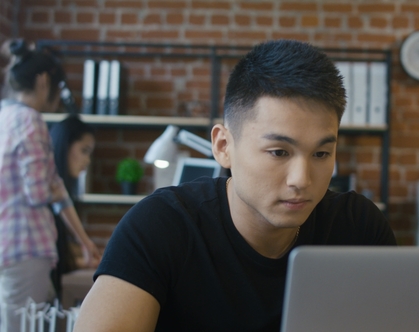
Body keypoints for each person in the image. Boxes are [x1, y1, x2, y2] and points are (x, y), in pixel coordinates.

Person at [74, 39, 397, 332]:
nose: (301, 179)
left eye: (321, 153)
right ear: (224, 146)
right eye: (279, 152)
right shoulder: (162, 225)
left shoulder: (358, 228)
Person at [0, 39, 101, 331]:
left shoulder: (3, 117)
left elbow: (55, 188)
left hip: (6, 245)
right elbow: (40, 191)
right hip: (26, 247)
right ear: (44, 81)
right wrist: (51, 189)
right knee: (23, 326)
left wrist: (83, 240)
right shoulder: (30, 121)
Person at [49, 114, 97, 300]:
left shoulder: (63, 194)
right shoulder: (50, 194)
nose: (88, 160)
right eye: (84, 151)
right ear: (64, 146)